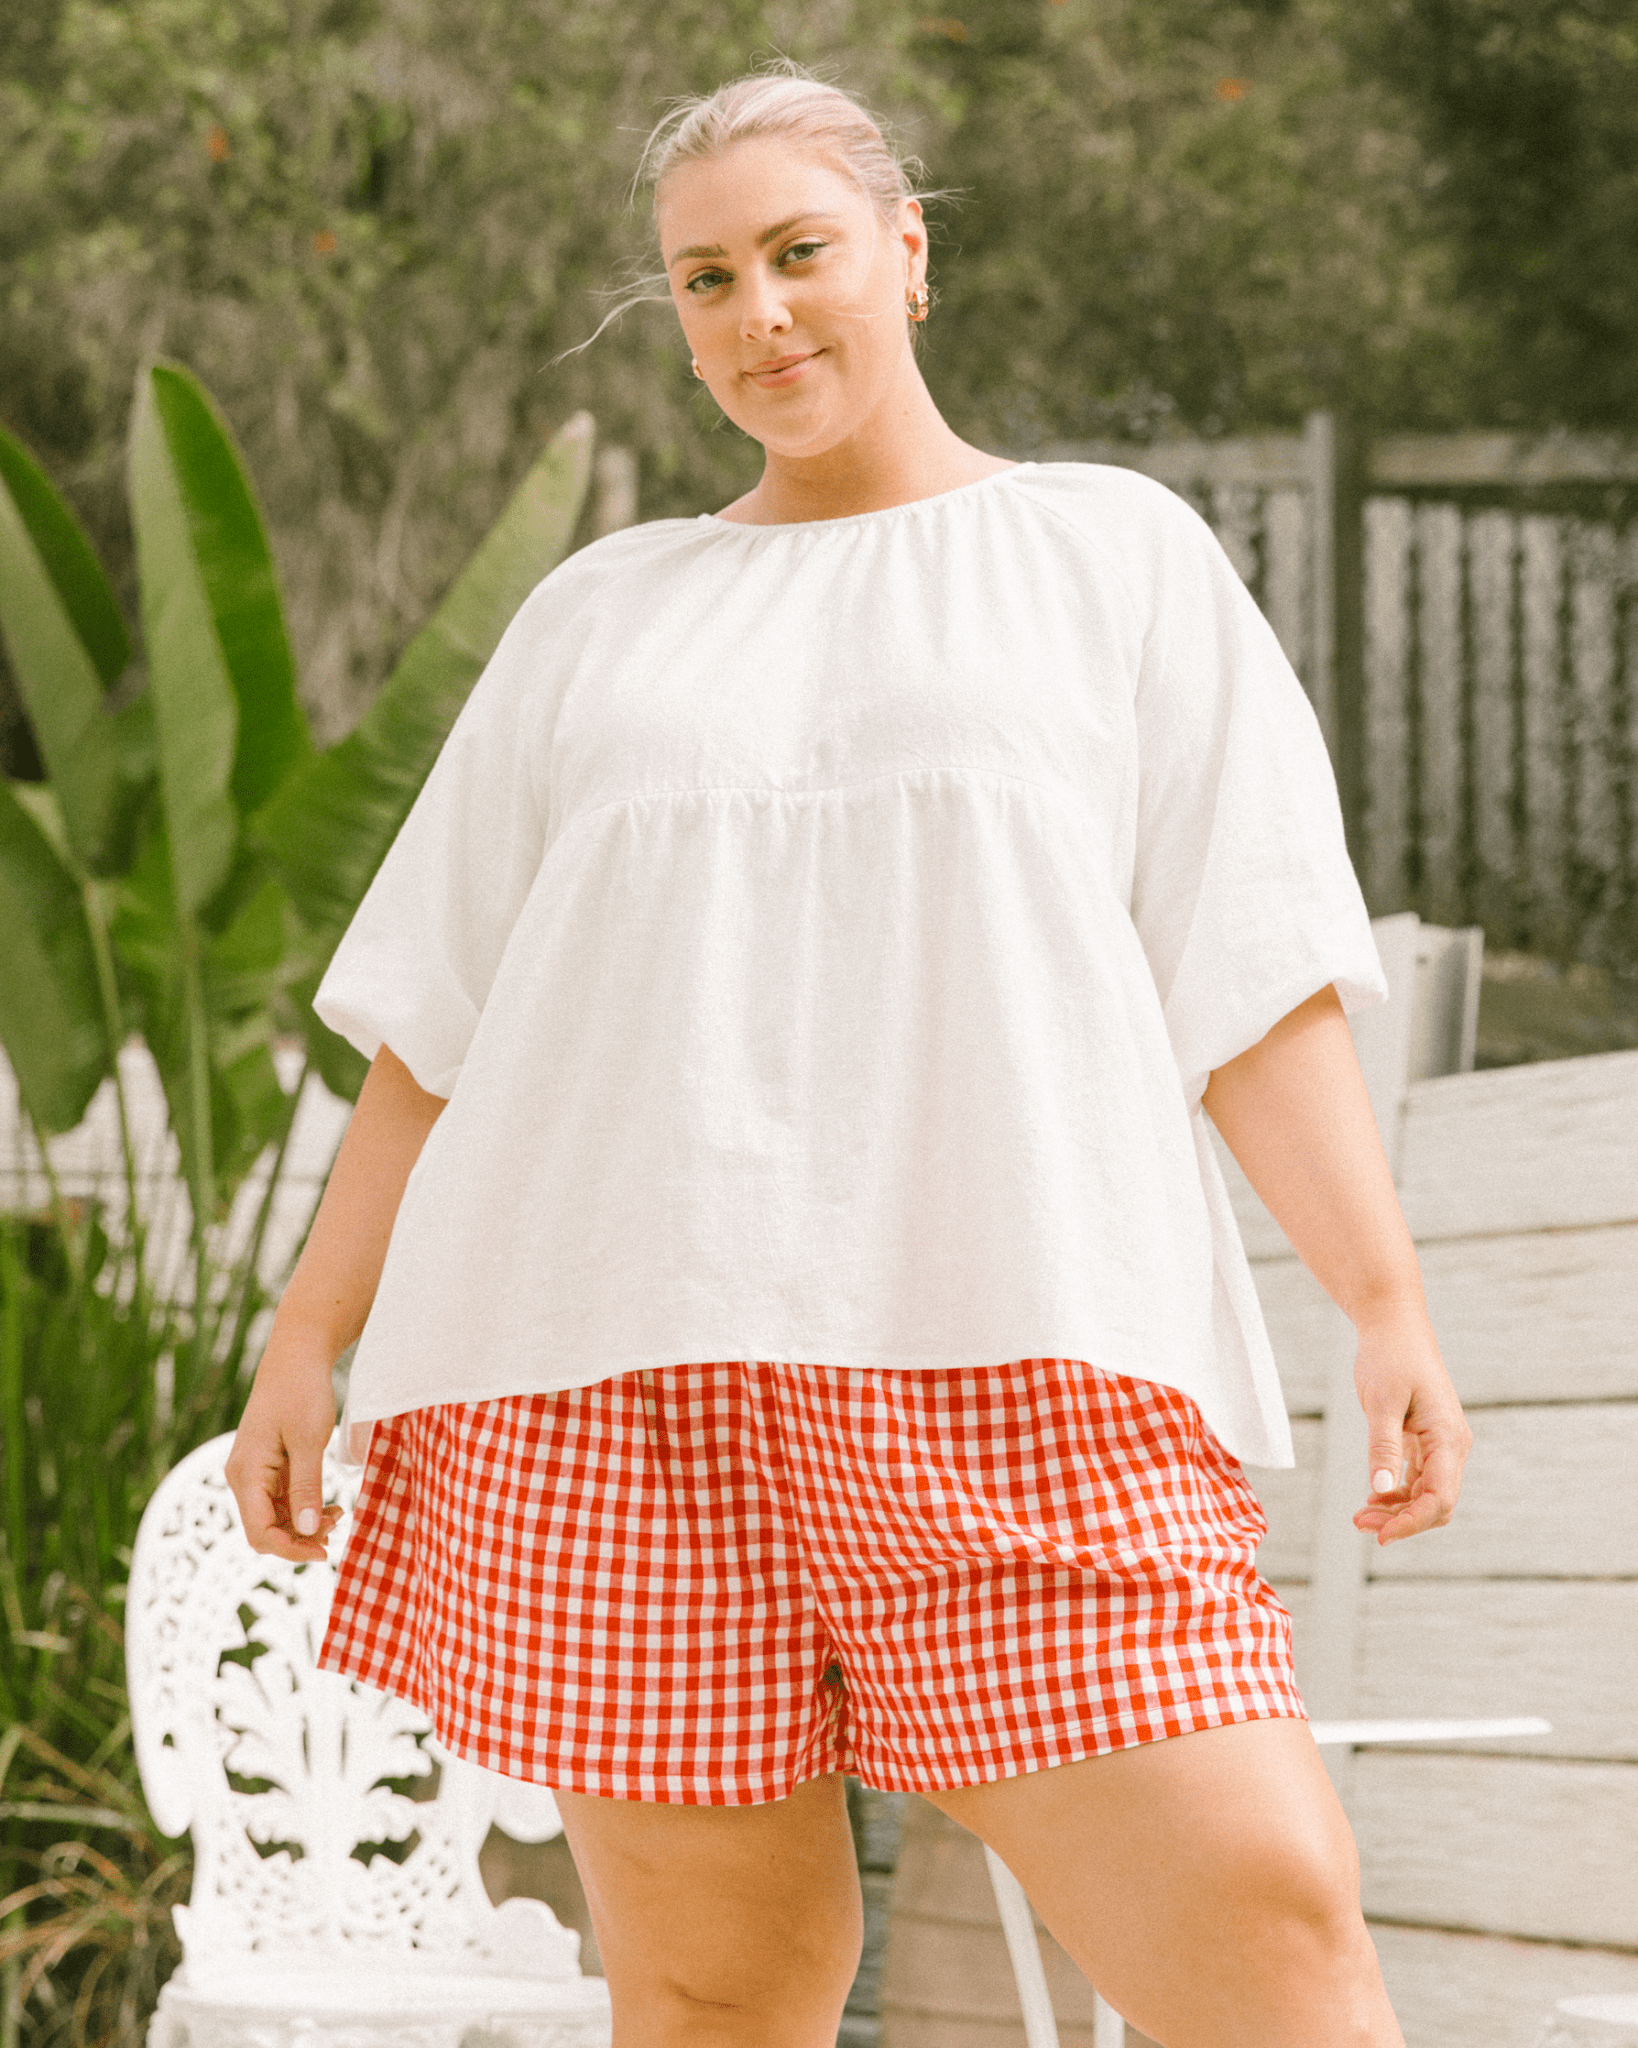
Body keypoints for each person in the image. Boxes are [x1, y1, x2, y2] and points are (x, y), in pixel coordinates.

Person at [226, 67, 1471, 2048]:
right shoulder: (599, 613)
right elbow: (437, 1023)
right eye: (704, 279)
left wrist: (1382, 1300)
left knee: (1271, 1937)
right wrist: (309, 1335)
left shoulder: (1109, 555)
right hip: (608, 1384)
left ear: (908, 250)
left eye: (798, 251)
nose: (760, 313)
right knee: (721, 1990)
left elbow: (1251, 975)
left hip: (1020, 1355)